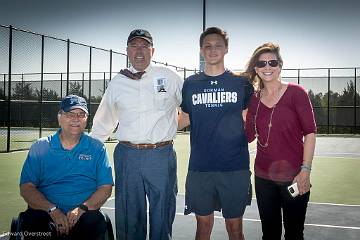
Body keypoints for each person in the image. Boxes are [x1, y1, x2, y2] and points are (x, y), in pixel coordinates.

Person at [90, 29, 183, 240]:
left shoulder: (169, 77)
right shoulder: (117, 82)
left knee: (162, 212)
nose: (139, 51)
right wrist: (86, 154)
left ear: (153, 50)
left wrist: (167, 130)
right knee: (129, 215)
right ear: (127, 51)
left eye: (144, 46)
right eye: (134, 46)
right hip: (127, 155)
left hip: (161, 154)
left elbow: (188, 109)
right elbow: (104, 122)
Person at [178, 27, 253, 240]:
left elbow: (250, 120)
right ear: (201, 50)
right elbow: (182, 120)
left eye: (218, 45)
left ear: (226, 49)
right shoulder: (191, 84)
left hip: (235, 167)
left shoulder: (241, 83)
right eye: (207, 46)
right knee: (203, 227)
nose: (213, 50)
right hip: (200, 168)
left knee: (235, 228)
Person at [243, 42, 316, 240]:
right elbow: (248, 136)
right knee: (270, 234)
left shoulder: (296, 93)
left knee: (294, 233)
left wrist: (305, 170)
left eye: (272, 62)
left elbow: (310, 132)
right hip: (263, 179)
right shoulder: (253, 100)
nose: (267, 67)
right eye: (262, 63)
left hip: (294, 177)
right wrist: (243, 112)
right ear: (256, 69)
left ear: (280, 65)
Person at [19, 94, 113, 240]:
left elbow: (105, 188)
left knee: (94, 224)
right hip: (44, 213)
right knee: (36, 226)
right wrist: (52, 210)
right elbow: (27, 187)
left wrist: (82, 208)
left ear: (86, 119)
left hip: (84, 213)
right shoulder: (40, 147)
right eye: (70, 114)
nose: (76, 118)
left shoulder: (97, 148)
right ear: (60, 117)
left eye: (81, 114)